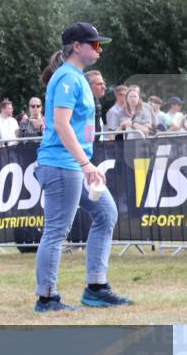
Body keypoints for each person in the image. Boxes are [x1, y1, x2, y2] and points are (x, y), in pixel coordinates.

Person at [34, 22, 130, 312]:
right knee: (56, 231)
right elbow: (62, 126)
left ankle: (96, 288)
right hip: (63, 165)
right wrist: (87, 163)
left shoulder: (76, 78)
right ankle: (47, 297)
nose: (99, 49)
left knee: (106, 213)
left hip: (72, 164)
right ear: (77, 46)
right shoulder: (66, 79)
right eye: (95, 44)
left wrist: (86, 163)